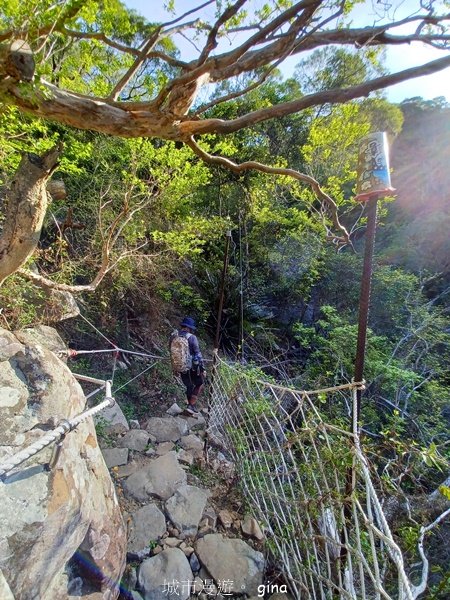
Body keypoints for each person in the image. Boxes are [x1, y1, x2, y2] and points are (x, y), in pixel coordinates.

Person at [170, 316, 206, 413]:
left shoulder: (175, 336)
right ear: (190, 328)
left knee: (189, 385)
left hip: (180, 366)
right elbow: (198, 354)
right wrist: (202, 369)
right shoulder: (192, 337)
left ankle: (189, 407)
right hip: (192, 367)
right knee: (200, 383)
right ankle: (191, 406)